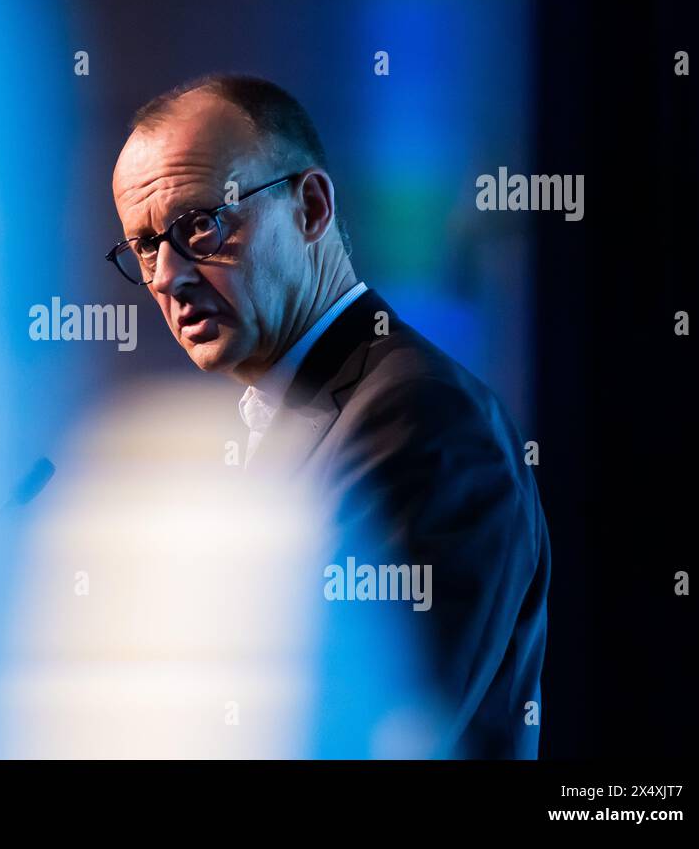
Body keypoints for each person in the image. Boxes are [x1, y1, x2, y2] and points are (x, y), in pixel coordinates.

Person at [106, 74, 550, 758]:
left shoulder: (421, 417)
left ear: (311, 208)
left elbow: (367, 735)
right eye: (143, 245)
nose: (165, 275)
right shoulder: (279, 426)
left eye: (198, 223)